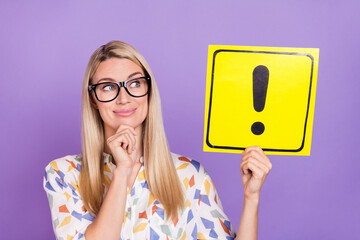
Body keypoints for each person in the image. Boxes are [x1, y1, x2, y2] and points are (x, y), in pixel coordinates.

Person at [43, 41, 272, 240]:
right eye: (108, 87)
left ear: (149, 91)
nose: (124, 98)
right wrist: (123, 170)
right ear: (93, 99)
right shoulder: (64, 174)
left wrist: (252, 196)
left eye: (135, 83)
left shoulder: (189, 175)